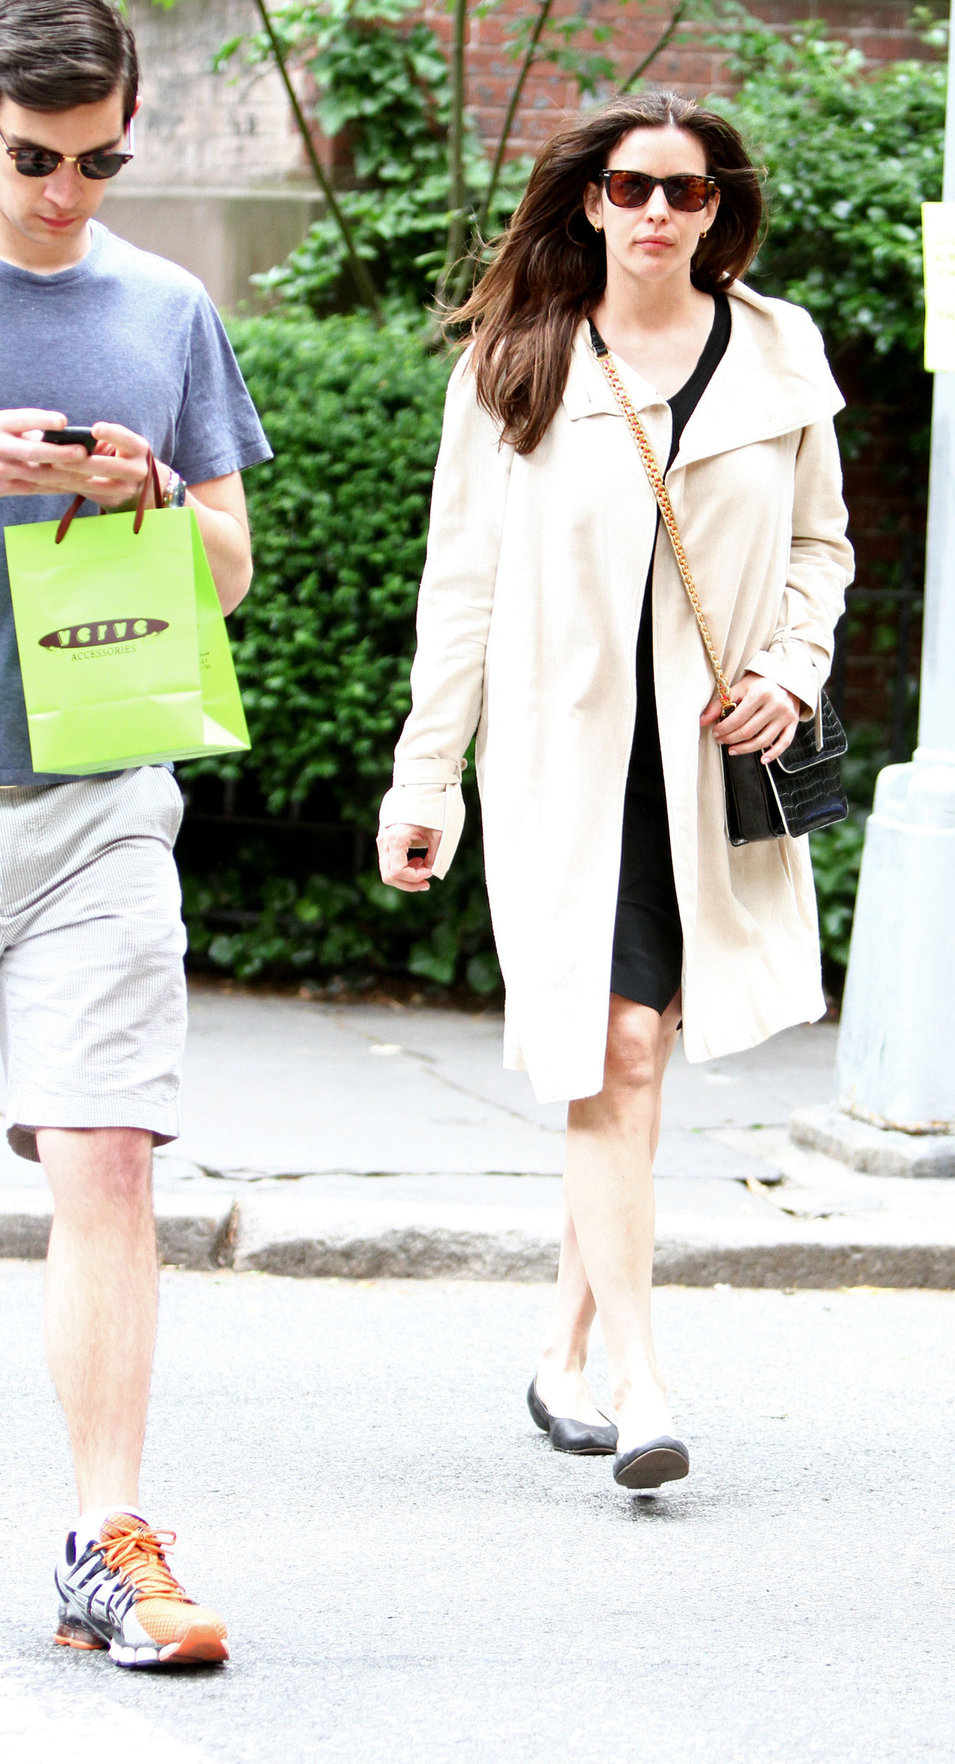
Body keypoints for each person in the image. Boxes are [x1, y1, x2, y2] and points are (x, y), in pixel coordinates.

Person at [378, 91, 852, 1491]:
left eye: (687, 192)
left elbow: (822, 547)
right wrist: (428, 780)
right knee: (616, 1051)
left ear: (719, 210)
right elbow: (457, 591)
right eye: (635, 187)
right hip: (563, 762)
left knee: (636, 1062)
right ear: (590, 200)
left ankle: (558, 1349)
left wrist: (791, 665)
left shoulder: (779, 352)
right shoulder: (516, 364)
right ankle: (639, 1381)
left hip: (711, 759)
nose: (658, 213)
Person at [0, 0, 270, 1663]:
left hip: (97, 800)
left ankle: (110, 1539)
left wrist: (155, 498)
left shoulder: (163, 307)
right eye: (33, 158)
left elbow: (235, 565)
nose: (65, 194)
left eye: (102, 160)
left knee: (105, 1152)